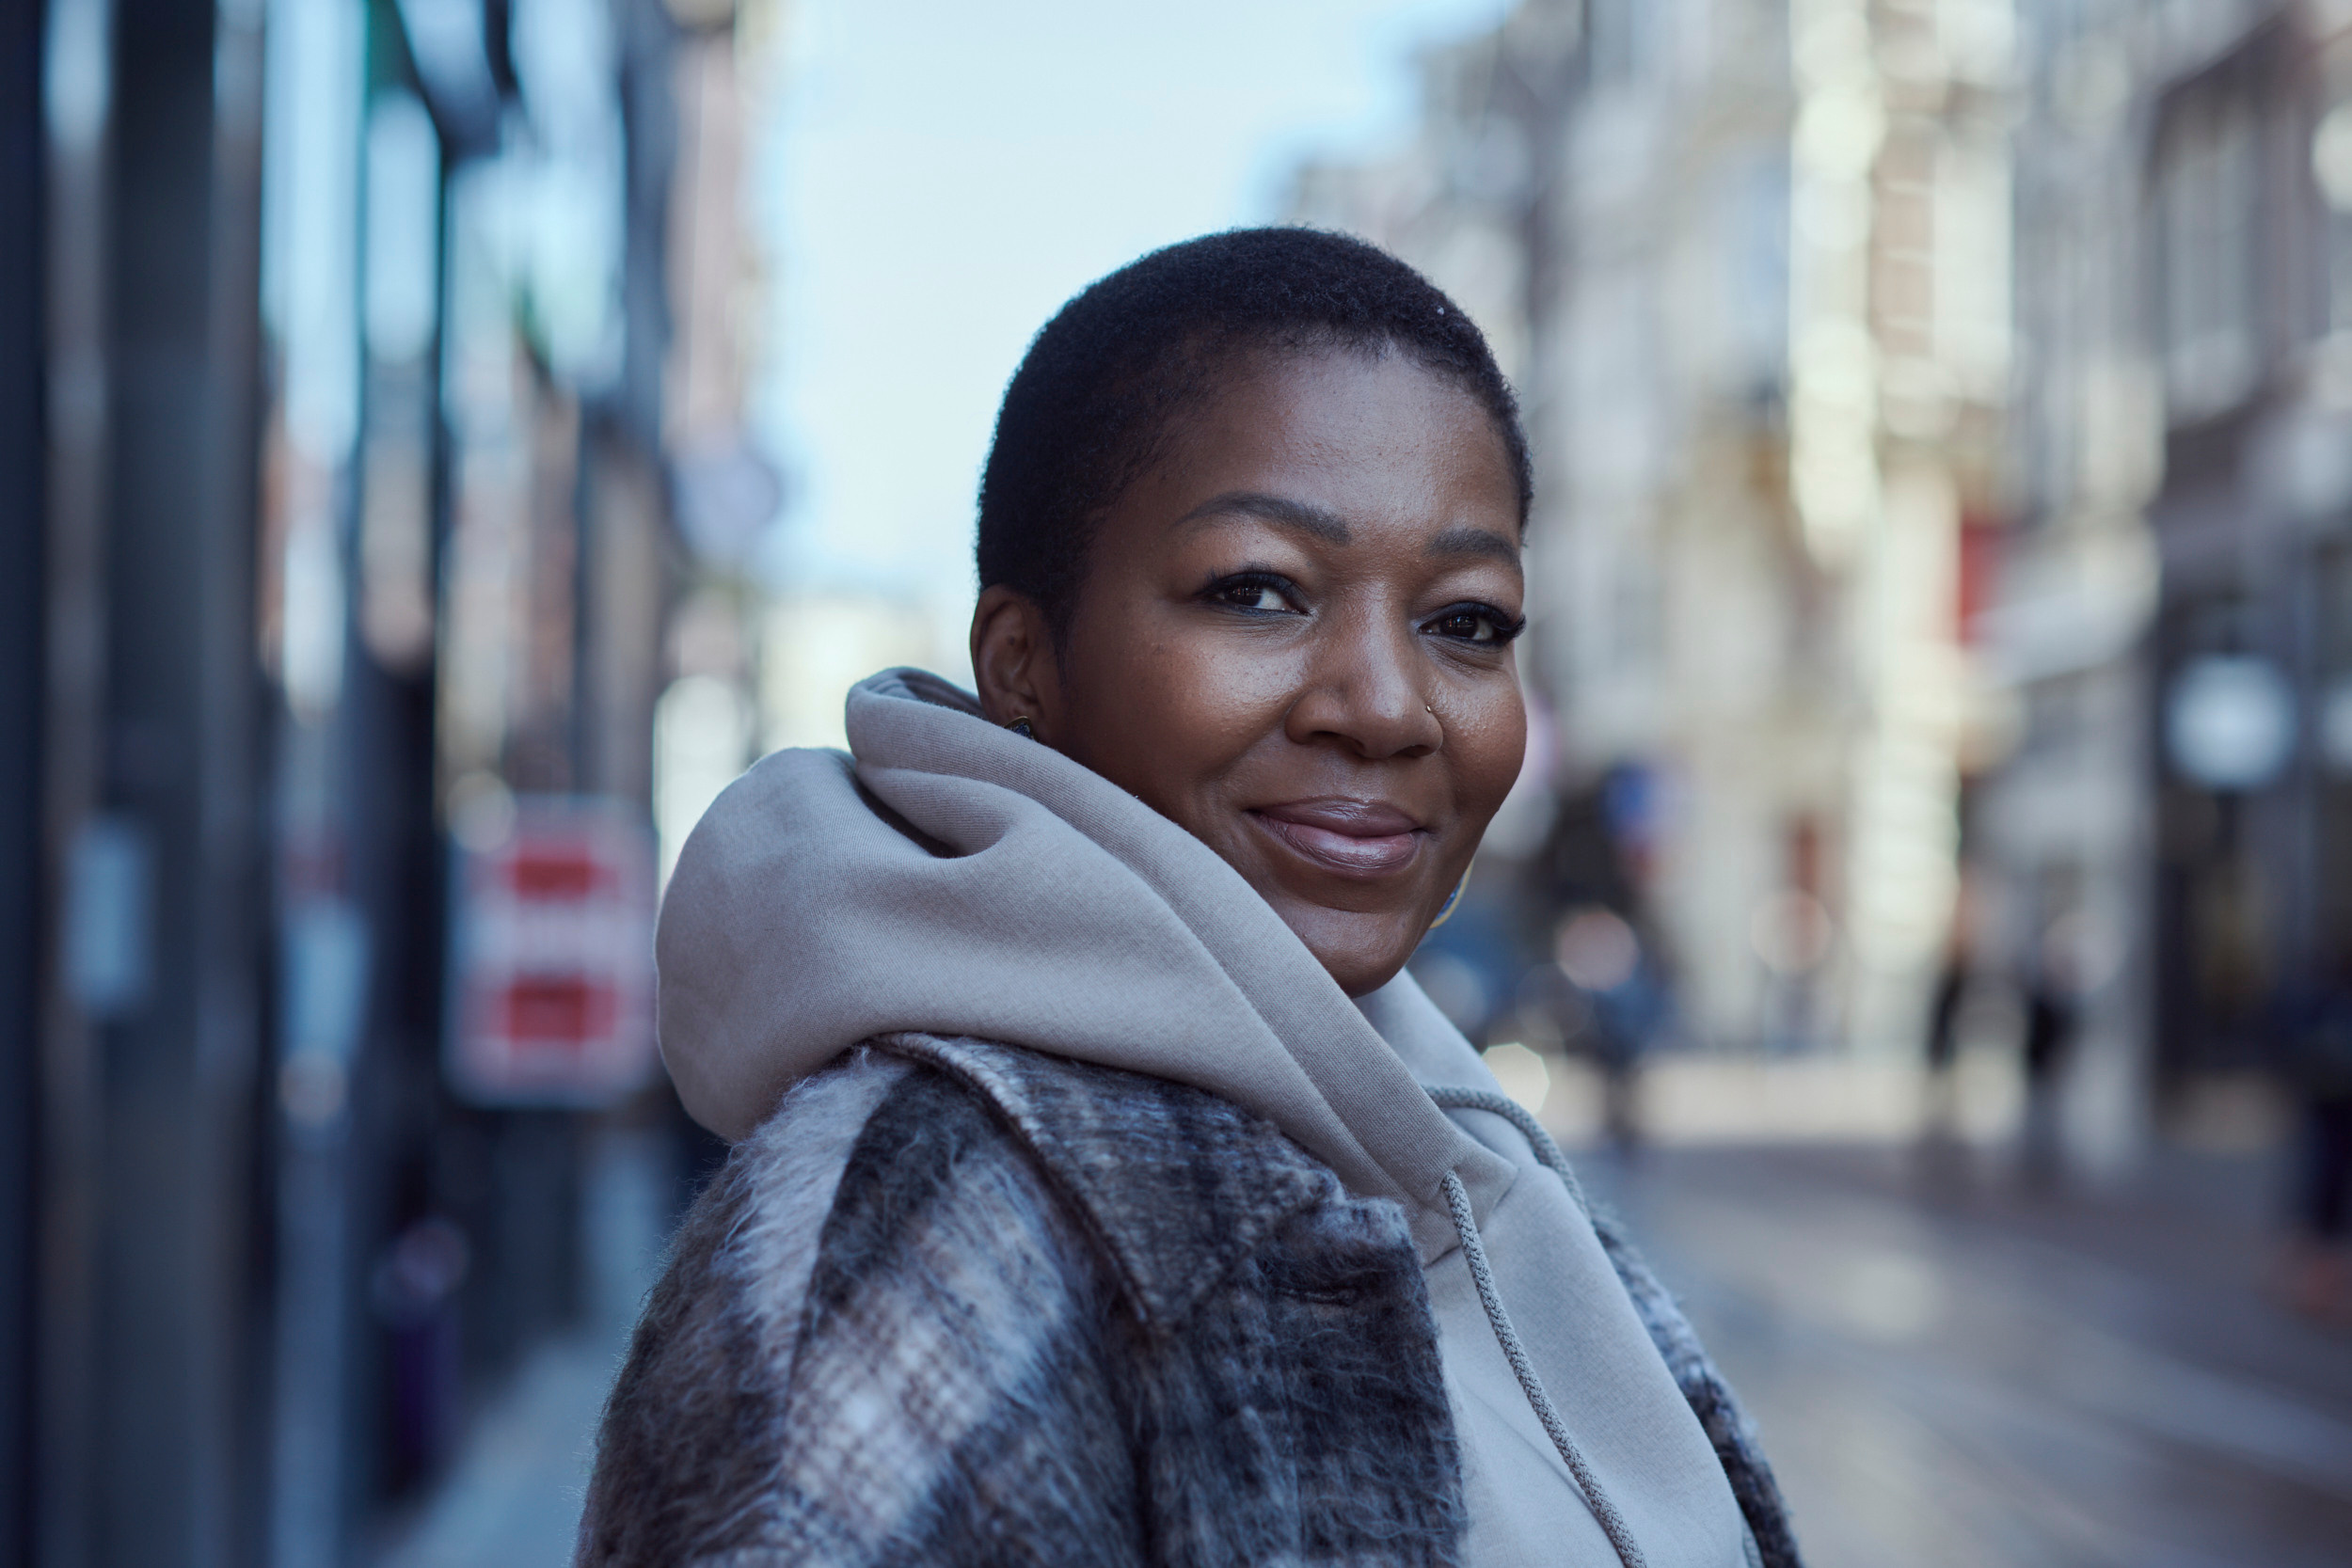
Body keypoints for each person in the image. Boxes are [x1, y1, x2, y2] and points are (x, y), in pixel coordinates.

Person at [577, 230, 1798, 1568]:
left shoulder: (1463, 1146)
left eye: (1465, 621)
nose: (1386, 707)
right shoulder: (928, 1213)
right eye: (1260, 592)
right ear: (1024, 665)